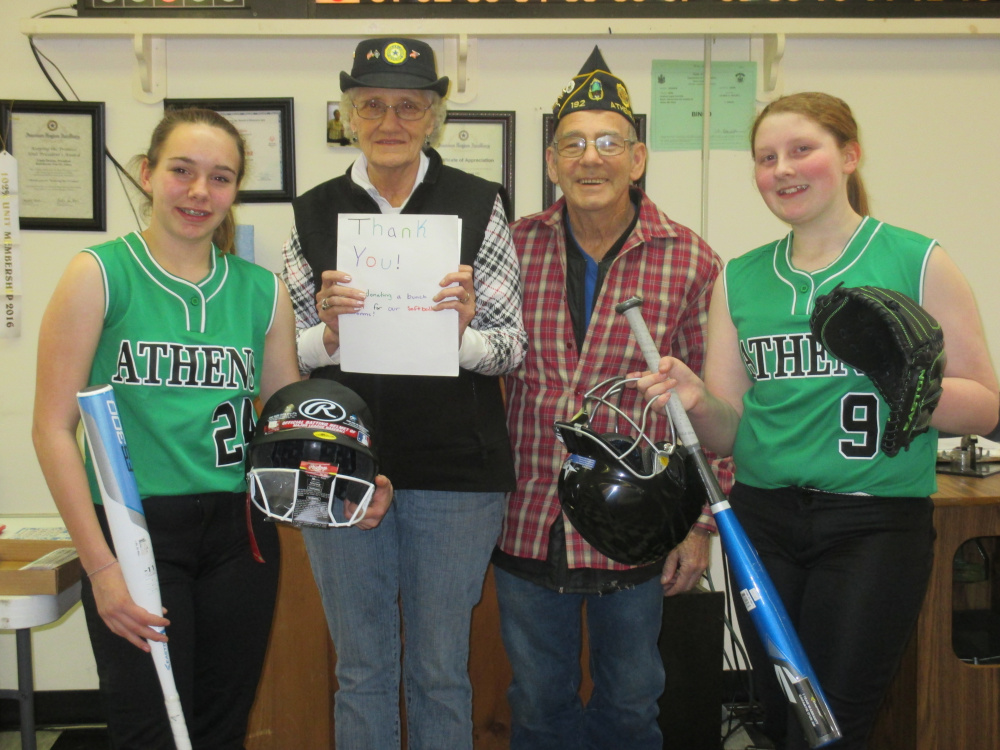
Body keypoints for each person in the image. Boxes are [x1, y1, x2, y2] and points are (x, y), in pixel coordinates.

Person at [637, 91, 999, 750]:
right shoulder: (739, 278)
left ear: (849, 154)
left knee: (832, 724)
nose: (782, 169)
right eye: (766, 157)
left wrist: (902, 381)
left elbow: (984, 402)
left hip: (873, 521)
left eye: (802, 149)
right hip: (764, 520)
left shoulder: (916, 260)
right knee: (779, 717)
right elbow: (730, 427)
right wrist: (693, 399)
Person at [31, 107, 392, 750]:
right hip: (136, 528)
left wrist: (354, 484)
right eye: (182, 171)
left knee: (222, 726)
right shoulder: (99, 274)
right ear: (147, 174)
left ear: (235, 191)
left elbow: (289, 427)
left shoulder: (263, 291)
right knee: (152, 728)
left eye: (219, 178)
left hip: (239, 535)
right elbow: (53, 429)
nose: (199, 192)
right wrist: (102, 568)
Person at [280, 37, 526, 749]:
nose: (391, 119)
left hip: (456, 469)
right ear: (350, 114)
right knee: (359, 668)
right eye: (373, 105)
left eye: (409, 105)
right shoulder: (311, 213)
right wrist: (325, 332)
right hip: (339, 464)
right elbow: (289, 358)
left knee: (441, 669)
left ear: (433, 117)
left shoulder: (480, 205)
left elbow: (512, 348)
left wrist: (459, 331)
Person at [493, 46, 733, 750]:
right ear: (550, 162)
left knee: (632, 707)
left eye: (608, 144)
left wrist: (700, 525)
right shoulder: (510, 248)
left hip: (643, 528)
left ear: (637, 158)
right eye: (573, 144)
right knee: (537, 707)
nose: (589, 159)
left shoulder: (689, 258)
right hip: (528, 519)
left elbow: (712, 404)